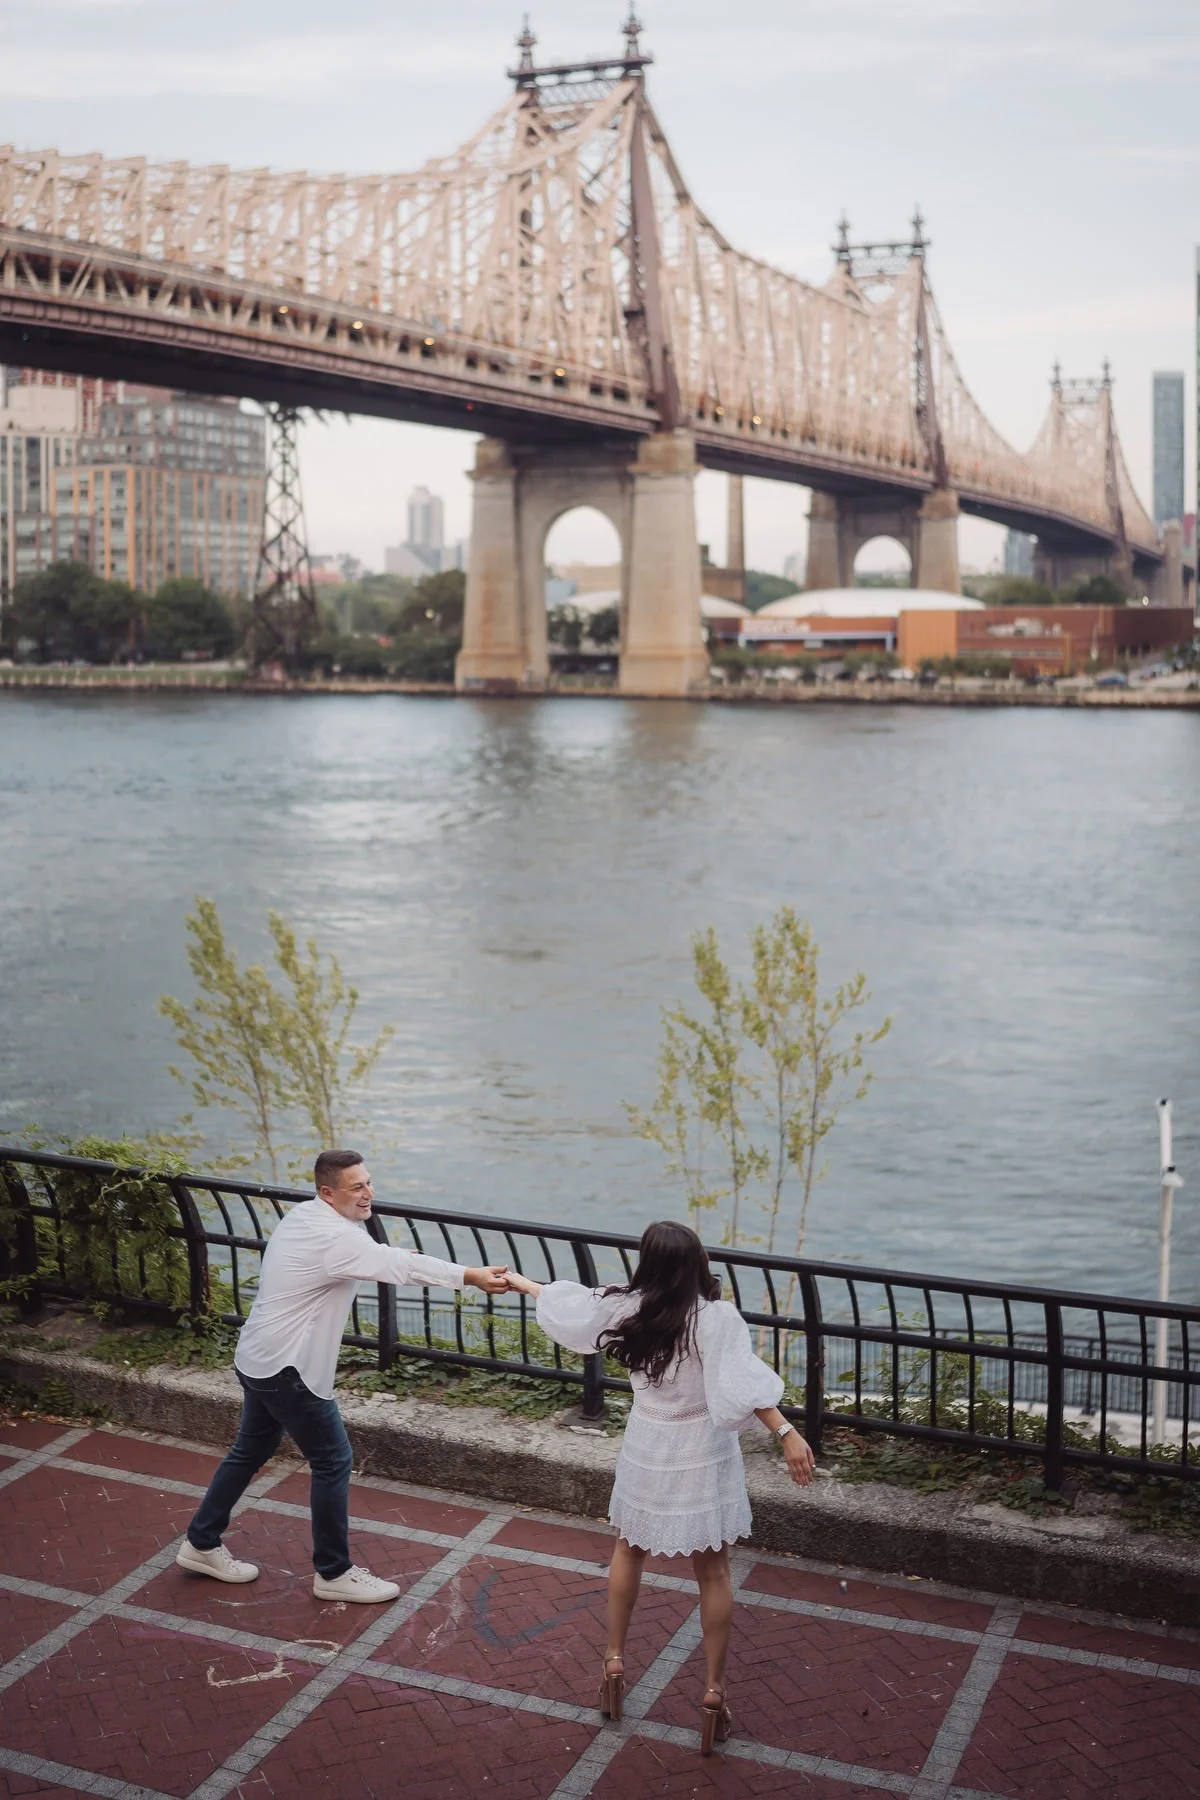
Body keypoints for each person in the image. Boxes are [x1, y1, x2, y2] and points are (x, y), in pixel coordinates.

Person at [505, 1221, 814, 1755]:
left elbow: (572, 1305)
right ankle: (713, 1692)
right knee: (713, 1572)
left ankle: (613, 1662)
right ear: (696, 1262)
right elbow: (743, 1385)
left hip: (648, 1443)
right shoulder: (715, 1318)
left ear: (647, 1262)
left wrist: (520, 1282)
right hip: (702, 1450)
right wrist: (787, 1433)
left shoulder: (629, 1308)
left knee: (629, 1549)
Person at [176, 1149, 508, 1604]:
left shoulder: (306, 1216)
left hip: (257, 1356)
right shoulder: (335, 1237)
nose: (369, 1193)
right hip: (288, 1368)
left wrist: (393, 1257)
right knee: (332, 1461)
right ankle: (333, 1573)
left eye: (369, 1182)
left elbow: (379, 1257)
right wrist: (471, 1275)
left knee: (250, 1450)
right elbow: (394, 1265)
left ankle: (201, 1542)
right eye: (357, 1187)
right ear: (328, 1192)